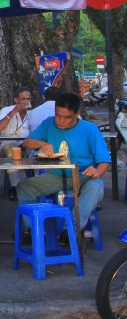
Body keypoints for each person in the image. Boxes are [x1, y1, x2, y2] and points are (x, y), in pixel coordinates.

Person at [17, 92, 110, 234]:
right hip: (57, 175)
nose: (60, 120)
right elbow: (27, 142)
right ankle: (33, 230)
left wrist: (97, 171)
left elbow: (104, 161)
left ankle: (70, 231)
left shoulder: (89, 129)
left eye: (67, 117)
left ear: (77, 114)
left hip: (83, 175)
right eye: (58, 115)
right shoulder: (49, 123)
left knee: (96, 186)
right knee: (24, 187)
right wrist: (41, 143)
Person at [0, 86, 32, 198]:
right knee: (13, 152)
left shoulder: (32, 113)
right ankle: (15, 188)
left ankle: (34, 185)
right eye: (23, 99)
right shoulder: (6, 110)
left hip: (26, 144)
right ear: (16, 100)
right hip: (8, 144)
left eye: (28, 99)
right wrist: (13, 112)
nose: (26, 101)